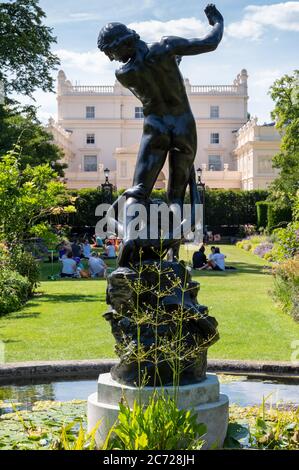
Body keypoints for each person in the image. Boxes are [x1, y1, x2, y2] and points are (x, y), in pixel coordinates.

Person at [98, 4, 224, 266]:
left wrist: (173, 63)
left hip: (154, 128)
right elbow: (211, 42)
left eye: (111, 51)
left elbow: (150, 91)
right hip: (183, 127)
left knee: (138, 191)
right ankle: (172, 241)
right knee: (175, 196)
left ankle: (132, 236)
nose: (112, 58)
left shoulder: (124, 74)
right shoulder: (165, 47)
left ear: (123, 42)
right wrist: (217, 21)